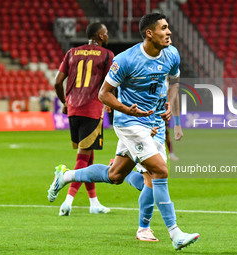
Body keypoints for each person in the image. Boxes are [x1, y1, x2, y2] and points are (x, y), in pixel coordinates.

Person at [48, 13, 199, 251]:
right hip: (129, 122)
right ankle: (175, 233)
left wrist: (169, 103)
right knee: (159, 170)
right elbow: (104, 93)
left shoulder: (172, 53)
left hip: (154, 122)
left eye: (168, 28)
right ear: (149, 33)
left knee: (116, 175)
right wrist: (125, 108)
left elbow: (175, 81)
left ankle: (66, 176)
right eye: (164, 28)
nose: (169, 32)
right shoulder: (126, 59)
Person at [53, 22, 114, 216]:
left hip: (73, 109)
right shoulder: (106, 55)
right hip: (92, 109)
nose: (108, 36)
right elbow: (110, 83)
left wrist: (64, 102)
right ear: (100, 36)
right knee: (82, 158)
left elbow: (57, 82)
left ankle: (94, 203)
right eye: (106, 33)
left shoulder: (72, 52)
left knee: (88, 156)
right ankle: (67, 201)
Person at [123, 75, 183, 242]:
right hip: (143, 131)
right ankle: (145, 229)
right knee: (152, 178)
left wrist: (177, 124)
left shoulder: (168, 78)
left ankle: (123, 171)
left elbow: (172, 103)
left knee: (144, 182)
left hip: (159, 132)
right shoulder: (143, 74)